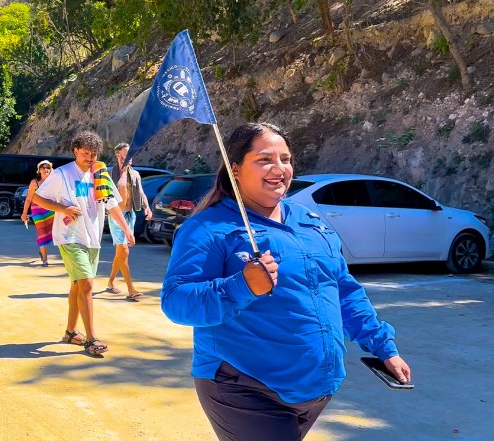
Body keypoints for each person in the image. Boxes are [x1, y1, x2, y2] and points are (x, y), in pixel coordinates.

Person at [160, 122, 411, 441]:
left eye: (286, 159)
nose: (279, 169)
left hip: (314, 389)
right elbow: (177, 301)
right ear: (235, 169)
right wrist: (241, 286)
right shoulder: (207, 228)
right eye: (264, 159)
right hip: (246, 387)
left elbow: (343, 291)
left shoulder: (309, 221)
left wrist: (382, 345)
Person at [33, 131, 135, 356]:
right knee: (87, 284)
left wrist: (126, 229)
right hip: (69, 237)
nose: (90, 157)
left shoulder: (99, 174)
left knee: (78, 285)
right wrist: (63, 209)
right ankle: (91, 339)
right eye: (86, 153)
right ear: (76, 151)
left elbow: (112, 205)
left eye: (94, 154)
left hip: (93, 238)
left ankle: (70, 332)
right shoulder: (61, 174)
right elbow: (37, 197)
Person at [106, 142, 152, 300]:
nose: (130, 158)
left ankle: (111, 282)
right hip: (116, 215)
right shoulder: (109, 174)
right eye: (127, 154)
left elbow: (141, 193)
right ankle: (131, 289)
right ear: (118, 155)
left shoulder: (135, 174)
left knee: (121, 252)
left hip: (130, 214)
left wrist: (147, 207)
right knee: (124, 250)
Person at [21, 160, 55, 267]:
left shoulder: (54, 181)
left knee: (53, 232)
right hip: (37, 210)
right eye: (43, 167)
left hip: (50, 210)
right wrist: (24, 213)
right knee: (42, 233)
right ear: (39, 170)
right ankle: (45, 259)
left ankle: (42, 251)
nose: (46, 169)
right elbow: (28, 199)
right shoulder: (34, 183)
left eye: (48, 167)